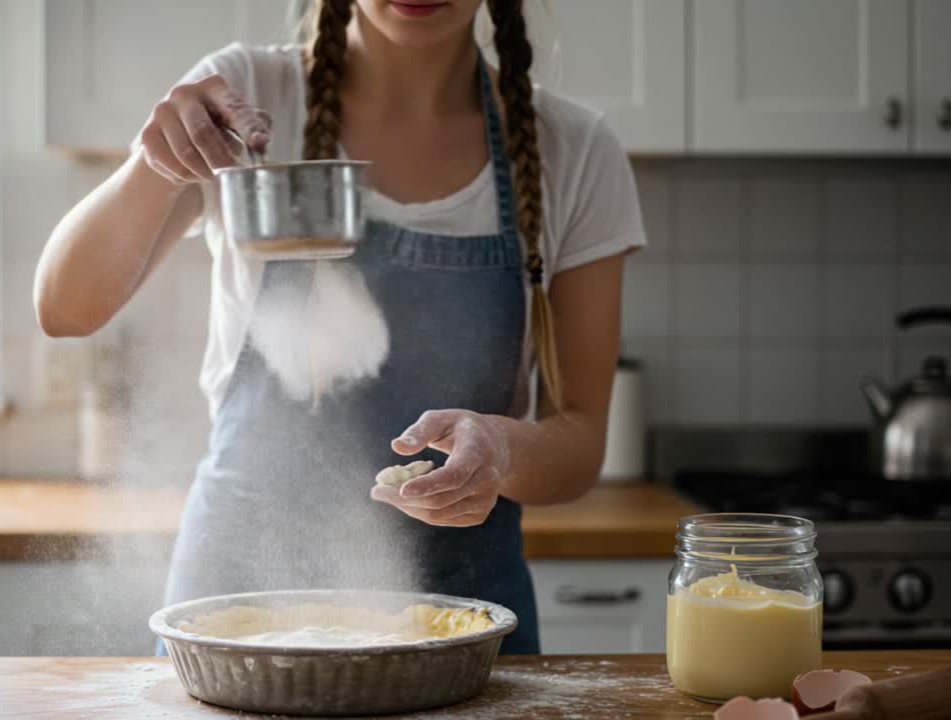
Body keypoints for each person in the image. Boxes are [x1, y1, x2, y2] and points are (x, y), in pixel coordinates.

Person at [34, 0, 645, 654]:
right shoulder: (245, 100)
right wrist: (151, 170)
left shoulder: (574, 148)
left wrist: (501, 451)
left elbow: (580, 443)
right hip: (236, 613)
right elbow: (66, 309)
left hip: (463, 626)